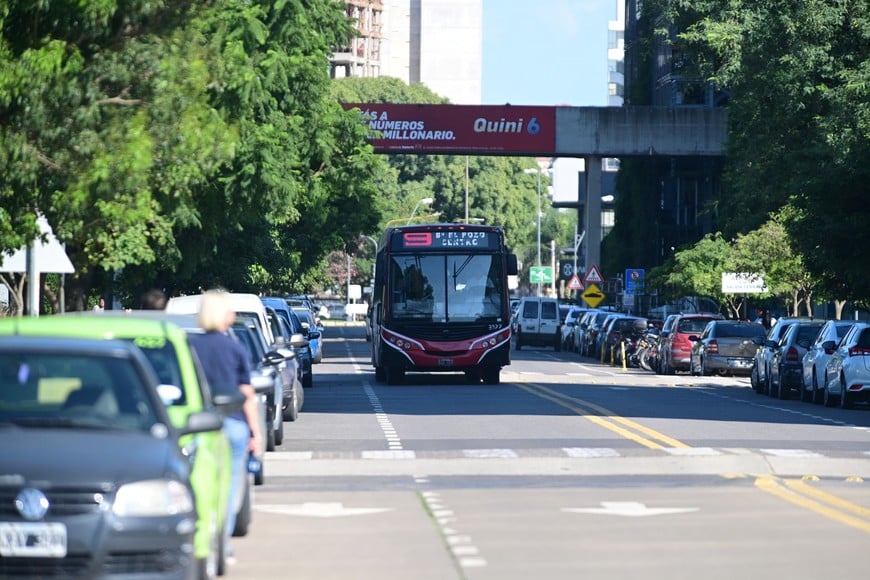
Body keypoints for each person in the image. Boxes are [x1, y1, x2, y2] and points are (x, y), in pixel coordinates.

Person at [188, 290, 262, 566]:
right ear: (224, 315)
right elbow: (247, 395)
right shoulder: (234, 348)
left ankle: (198, 536)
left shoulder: (188, 346)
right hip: (231, 424)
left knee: (197, 484)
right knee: (228, 488)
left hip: (195, 425)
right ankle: (222, 542)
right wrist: (255, 433)